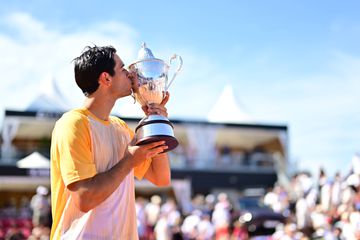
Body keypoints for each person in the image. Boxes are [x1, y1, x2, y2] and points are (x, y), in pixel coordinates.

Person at [50, 45, 171, 239]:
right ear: (106, 78)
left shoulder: (120, 128)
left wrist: (156, 122)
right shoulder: (73, 124)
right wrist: (129, 161)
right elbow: (85, 198)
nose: (131, 75)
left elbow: (161, 177)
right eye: (123, 69)